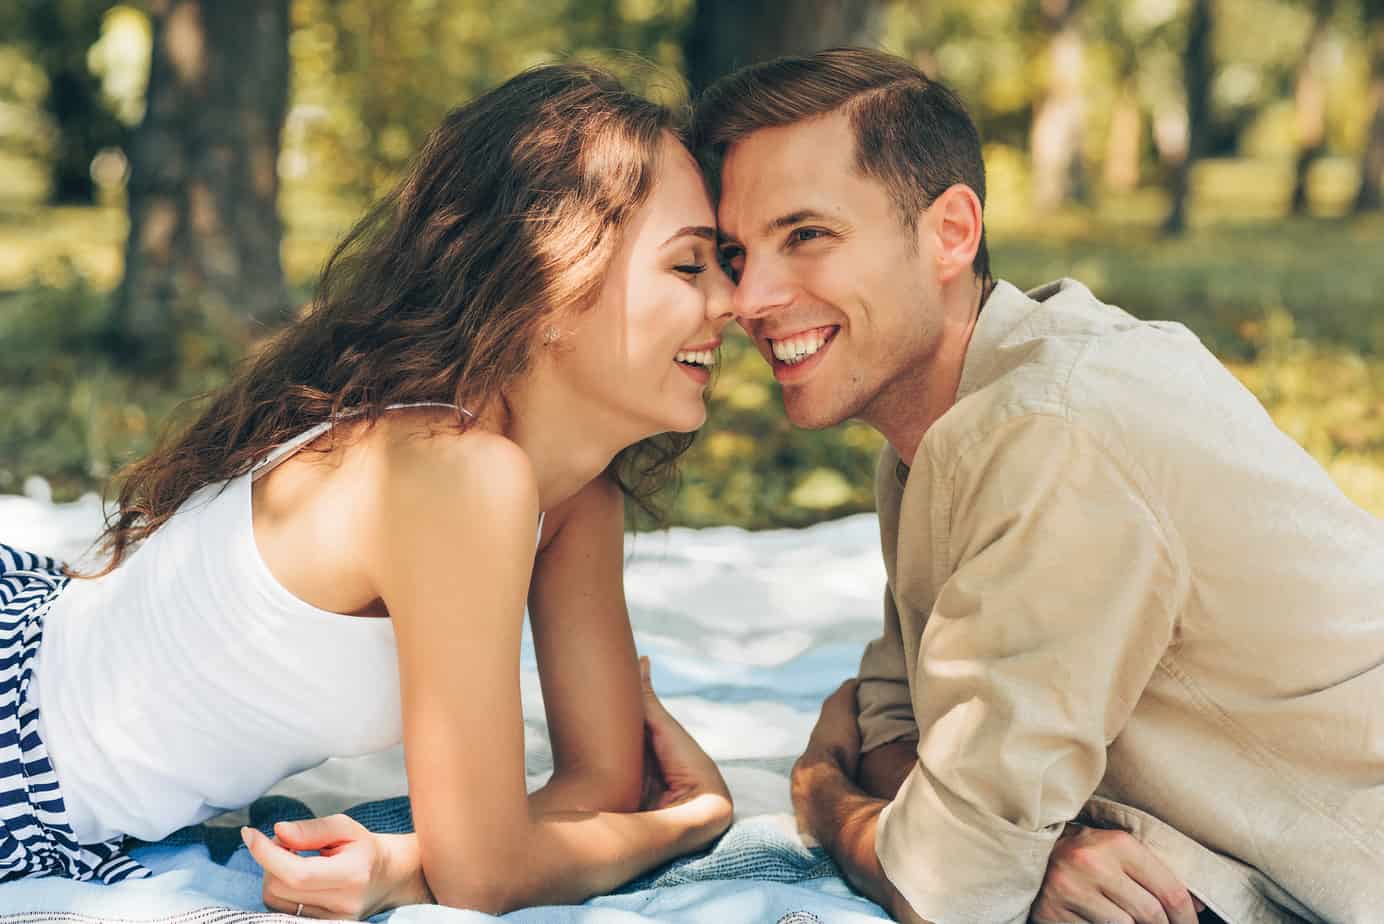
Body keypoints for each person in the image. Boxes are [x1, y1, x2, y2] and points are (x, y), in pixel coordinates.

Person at [0, 63, 737, 918]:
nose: (732, 301)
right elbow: (496, 869)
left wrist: (414, 862)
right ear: (550, 280)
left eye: (724, 261)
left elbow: (598, 786)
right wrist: (689, 819)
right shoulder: (453, 472)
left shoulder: (571, 497)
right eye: (689, 266)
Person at [691, 47, 1384, 924]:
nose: (750, 296)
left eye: (807, 236)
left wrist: (821, 795)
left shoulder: (1047, 432)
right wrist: (1031, 847)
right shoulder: (941, 426)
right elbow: (892, 715)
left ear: (951, 232)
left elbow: (941, 884)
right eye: (734, 251)